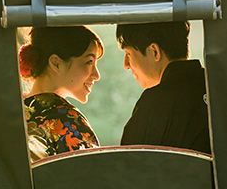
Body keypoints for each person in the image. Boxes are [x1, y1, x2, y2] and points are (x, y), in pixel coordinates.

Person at [116, 20, 211, 154]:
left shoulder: (154, 103)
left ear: (155, 51)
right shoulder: (218, 87)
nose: (126, 65)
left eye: (128, 54)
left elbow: (128, 162)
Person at [19, 26, 103, 162]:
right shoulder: (66, 121)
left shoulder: (16, 113)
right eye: (89, 62)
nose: (96, 75)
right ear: (56, 63)